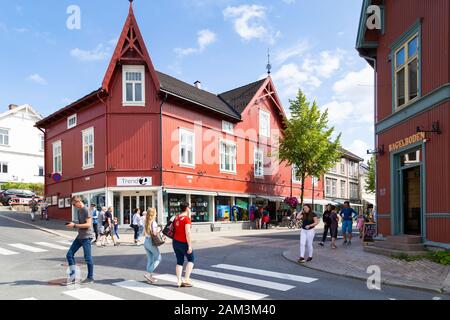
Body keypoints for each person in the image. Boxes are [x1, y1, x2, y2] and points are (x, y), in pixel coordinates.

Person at [65, 196, 94, 284]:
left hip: (87, 237)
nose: (73, 206)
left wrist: (74, 225)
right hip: (80, 236)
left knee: (88, 258)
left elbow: (88, 224)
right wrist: (73, 225)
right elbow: (81, 224)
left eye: (74, 204)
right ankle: (73, 277)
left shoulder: (86, 210)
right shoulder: (79, 210)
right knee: (69, 254)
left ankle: (90, 278)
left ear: (78, 201)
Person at [173, 202, 195, 288]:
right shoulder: (186, 219)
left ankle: (178, 281)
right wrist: (189, 245)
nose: (190, 209)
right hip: (184, 242)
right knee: (191, 259)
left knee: (179, 261)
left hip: (175, 242)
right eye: (189, 207)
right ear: (187, 208)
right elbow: (188, 232)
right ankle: (186, 279)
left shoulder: (176, 218)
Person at [143, 208, 162, 284]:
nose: (156, 214)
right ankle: (148, 274)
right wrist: (159, 229)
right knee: (158, 258)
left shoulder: (146, 221)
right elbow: (154, 233)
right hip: (151, 241)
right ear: (153, 214)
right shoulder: (153, 222)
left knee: (150, 259)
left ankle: (149, 277)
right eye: (155, 212)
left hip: (146, 241)